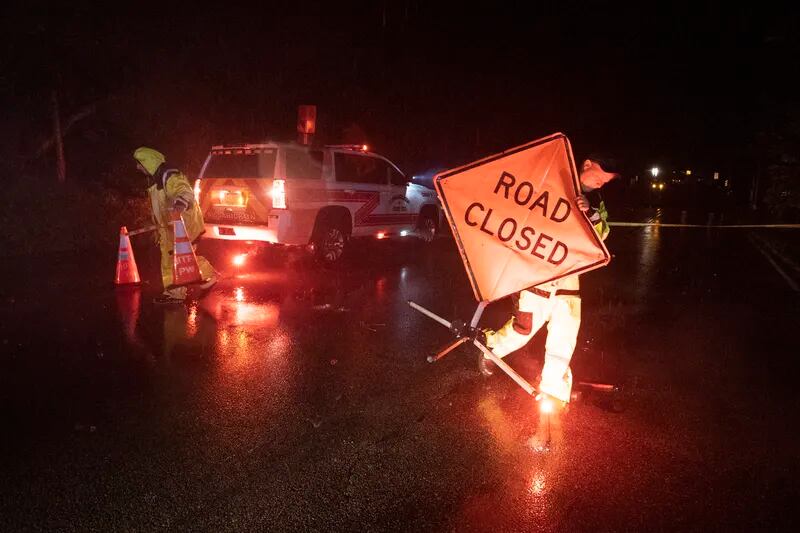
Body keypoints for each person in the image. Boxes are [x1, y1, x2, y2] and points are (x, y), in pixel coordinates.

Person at [480, 155, 620, 404]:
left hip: (569, 275)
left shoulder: (597, 201)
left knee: (565, 332)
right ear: (587, 164)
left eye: (606, 181)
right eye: (600, 176)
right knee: (525, 326)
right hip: (538, 272)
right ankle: (492, 349)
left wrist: (591, 214)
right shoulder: (551, 180)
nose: (601, 183)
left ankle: (554, 390)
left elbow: (602, 236)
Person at [133, 147, 217, 304]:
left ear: (148, 162)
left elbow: (184, 191)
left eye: (140, 163)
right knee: (169, 259)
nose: (138, 167)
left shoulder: (169, 175)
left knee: (182, 259)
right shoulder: (156, 179)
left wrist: (180, 205)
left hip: (184, 225)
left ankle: (209, 274)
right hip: (171, 227)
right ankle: (174, 293)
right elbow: (161, 205)